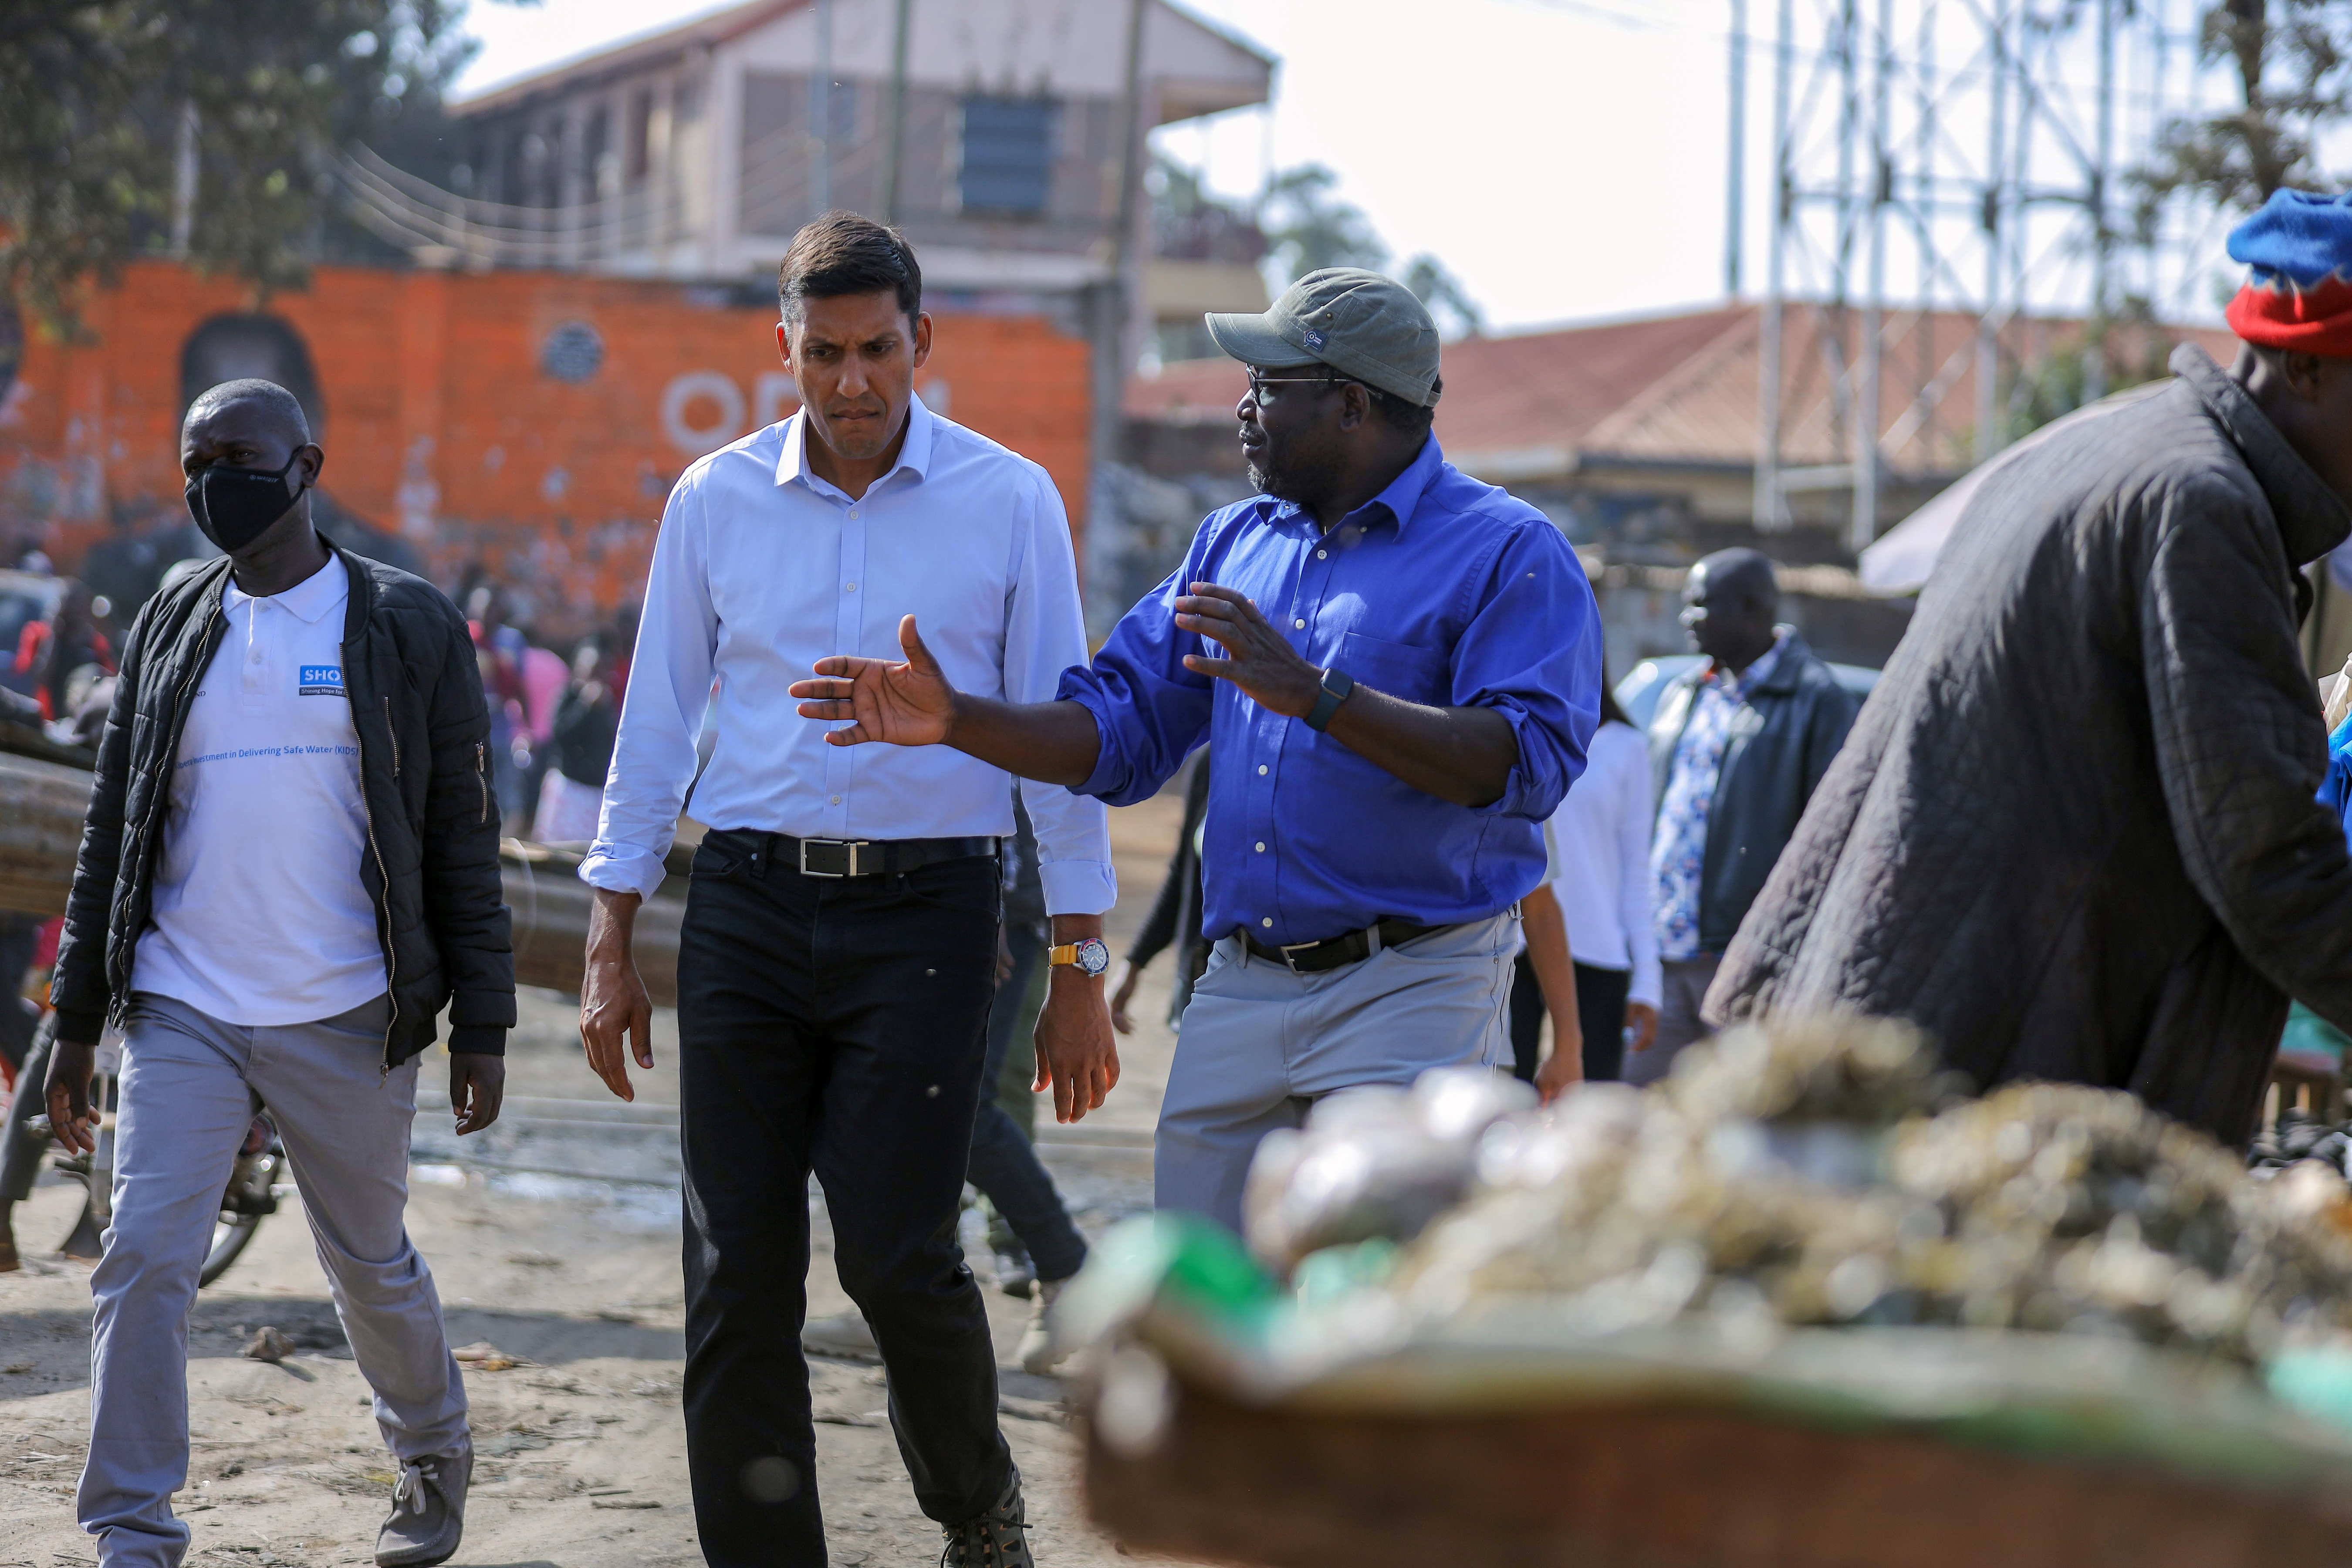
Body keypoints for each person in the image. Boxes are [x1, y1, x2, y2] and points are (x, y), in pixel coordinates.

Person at [789, 267, 1602, 1233]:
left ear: (1351, 405)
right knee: (1204, 1287)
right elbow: (1117, 729)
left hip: (1414, 986)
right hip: (1240, 987)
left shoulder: (1508, 551)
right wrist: (961, 720)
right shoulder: (1233, 544)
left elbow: (1525, 762)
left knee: (1366, 1288)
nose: (1243, 409)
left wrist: (1317, 695)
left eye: (1268, 384)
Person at [576, 214, 1115, 1568]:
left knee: (894, 1256)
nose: (853, 381)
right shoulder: (715, 500)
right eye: (825, 353)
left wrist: (1080, 967)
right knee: (734, 1272)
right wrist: (609, 933)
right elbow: (656, 723)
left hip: (931, 917)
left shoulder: (1010, 501)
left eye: (877, 349)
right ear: (785, 350)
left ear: (922, 341)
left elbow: (1063, 746)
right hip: (745, 906)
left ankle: (976, 1507)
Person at [1710, 189, 2352, 1142]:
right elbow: (2266, 859)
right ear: (2304, 364)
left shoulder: (2103, 451)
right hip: (1970, 1075)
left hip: (1894, 1043)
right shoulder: (2201, 508)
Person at [43, 378, 513, 1568]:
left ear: (306, 468)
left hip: (348, 1008)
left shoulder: (406, 623)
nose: (215, 484)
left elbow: (461, 835)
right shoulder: (170, 618)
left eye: (239, 459)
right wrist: (78, 1019)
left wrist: (485, 1024)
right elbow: (114, 826)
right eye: (196, 462)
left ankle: (430, 1450)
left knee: (368, 1264)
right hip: (184, 1001)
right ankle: (132, 1527)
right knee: (143, 1256)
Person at [1631, 550, 1858, 1088]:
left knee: (1743, 1116)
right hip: (1661, 957)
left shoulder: (1818, 701)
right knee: (1638, 1107)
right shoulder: (1683, 693)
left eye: (1701, 604)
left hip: (1744, 961)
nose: (1686, 617)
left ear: (1752, 608)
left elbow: (1834, 838)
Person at [1527, 677, 1660, 1095]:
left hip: (1599, 957)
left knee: (1592, 1117)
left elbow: (1638, 869)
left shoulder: (1627, 747)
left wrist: (1648, 979)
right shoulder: (1511, 729)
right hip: (1516, 951)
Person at [1108, 748, 1211, 1034]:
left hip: (1275, 993)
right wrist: (1134, 963)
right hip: (1202, 982)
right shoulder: (1212, 760)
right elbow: (1184, 875)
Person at [534, 639, 618, 843]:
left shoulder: (607, 703)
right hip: (568, 787)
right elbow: (560, 734)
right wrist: (584, 705)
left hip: (594, 792)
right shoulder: (568, 696)